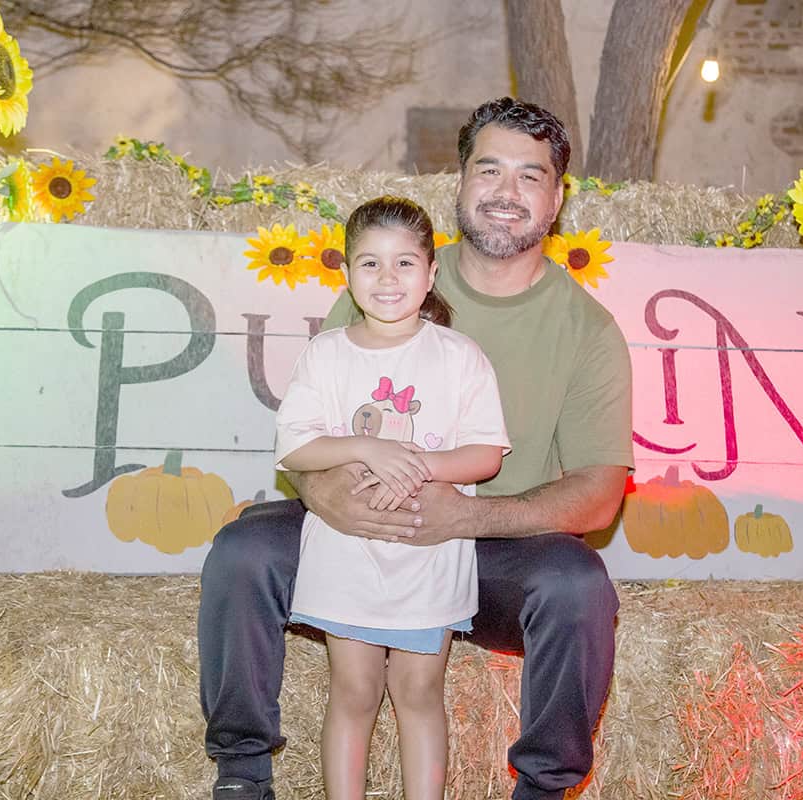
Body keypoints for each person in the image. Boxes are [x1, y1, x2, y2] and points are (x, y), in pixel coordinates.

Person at [199, 97, 634, 800]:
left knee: (576, 585)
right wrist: (329, 495)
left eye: (530, 176)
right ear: (459, 181)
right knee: (243, 551)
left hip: (492, 547)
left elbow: (599, 493)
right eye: (488, 169)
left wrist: (465, 516)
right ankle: (243, 774)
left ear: (557, 199)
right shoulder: (386, 280)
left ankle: (544, 788)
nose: (506, 191)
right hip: (361, 525)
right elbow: (313, 431)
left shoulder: (587, 330)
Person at [275, 195, 511, 800]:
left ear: (431, 273)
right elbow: (295, 447)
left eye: (405, 263)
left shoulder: (459, 356)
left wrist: (418, 465)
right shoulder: (327, 353)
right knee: (353, 691)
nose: (387, 279)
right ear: (347, 273)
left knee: (418, 692)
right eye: (370, 263)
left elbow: (486, 453)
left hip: (426, 554)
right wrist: (367, 448)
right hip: (347, 553)